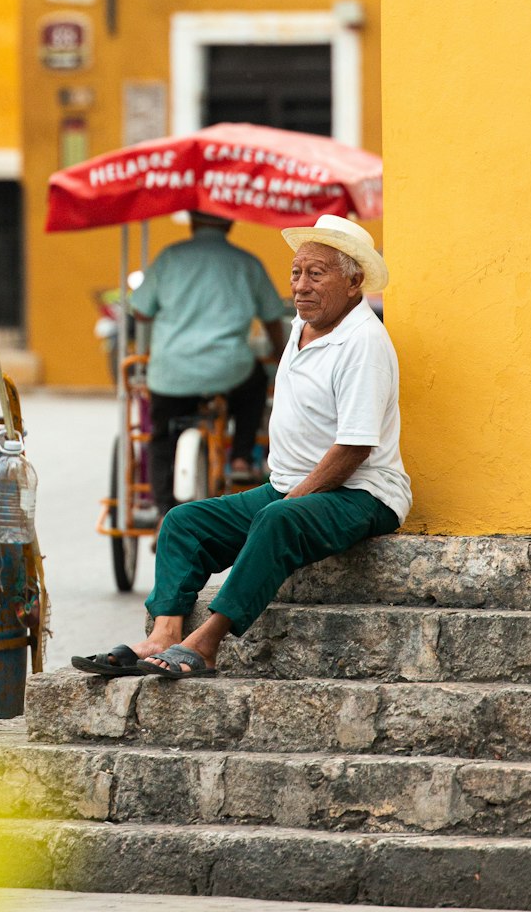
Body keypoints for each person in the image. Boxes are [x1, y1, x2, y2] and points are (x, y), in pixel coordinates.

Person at [73, 214, 409, 679]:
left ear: (354, 283)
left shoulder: (363, 342)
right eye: (296, 273)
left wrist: (292, 500)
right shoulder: (303, 323)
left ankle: (205, 643)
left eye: (317, 273)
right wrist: (286, 495)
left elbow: (354, 448)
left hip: (362, 494)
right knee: (183, 522)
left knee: (276, 519)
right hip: (290, 487)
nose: (301, 285)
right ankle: (163, 634)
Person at [130, 211, 285, 517]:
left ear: (192, 223)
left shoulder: (169, 258)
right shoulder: (246, 262)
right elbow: (271, 316)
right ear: (230, 223)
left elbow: (141, 311)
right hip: (229, 369)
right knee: (254, 384)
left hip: (172, 372)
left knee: (161, 436)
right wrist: (281, 354)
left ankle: (163, 511)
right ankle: (241, 457)